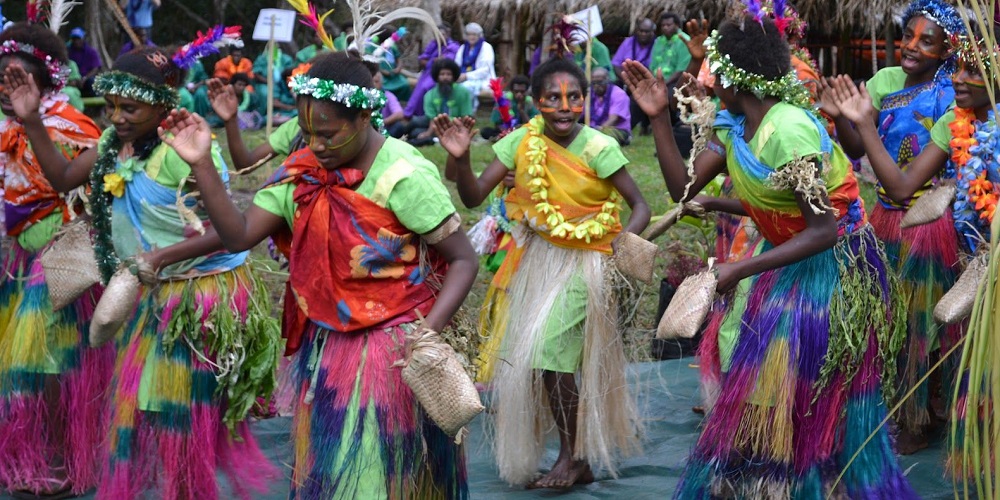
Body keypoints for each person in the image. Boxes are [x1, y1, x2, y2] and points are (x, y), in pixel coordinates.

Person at [622, 11, 914, 498]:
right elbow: (682, 188)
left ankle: (809, 480)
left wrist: (740, 267)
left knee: (796, 382)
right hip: (785, 255)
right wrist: (657, 118)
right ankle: (765, 476)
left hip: (832, 267)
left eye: (715, 70)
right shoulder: (735, 123)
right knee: (749, 360)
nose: (707, 79)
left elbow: (823, 228)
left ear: (738, 79)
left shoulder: (789, 131)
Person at [171, 50, 478, 498]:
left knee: (379, 471)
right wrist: (201, 164)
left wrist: (427, 337)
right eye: (307, 132)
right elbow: (238, 237)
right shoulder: (300, 174)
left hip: (394, 348)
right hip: (329, 343)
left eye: (328, 133)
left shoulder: (404, 175)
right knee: (333, 469)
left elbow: (464, 260)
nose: (314, 144)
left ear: (365, 117)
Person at [5, 44, 281, 499]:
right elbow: (62, 179)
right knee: (143, 408)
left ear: (163, 102)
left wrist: (158, 259)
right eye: (111, 106)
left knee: (172, 410)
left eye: (130, 107)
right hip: (155, 287)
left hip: (199, 294)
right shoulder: (113, 147)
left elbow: (230, 232)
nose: (117, 117)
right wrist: (31, 119)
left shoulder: (179, 154)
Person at [437, 57, 649, 489]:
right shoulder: (520, 141)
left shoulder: (598, 147)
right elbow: (474, 195)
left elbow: (641, 206)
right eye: (553, 97)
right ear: (537, 102)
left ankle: (571, 458)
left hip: (590, 263)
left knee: (549, 351)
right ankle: (578, 457)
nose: (565, 106)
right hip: (541, 260)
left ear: (585, 101)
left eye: (574, 97)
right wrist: (460, 161)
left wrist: (616, 253)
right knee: (542, 361)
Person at [821, 0, 966, 454]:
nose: (912, 47)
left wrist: (859, 122)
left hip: (931, 224)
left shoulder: (952, 98)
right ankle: (902, 405)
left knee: (925, 321)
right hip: (884, 216)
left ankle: (922, 415)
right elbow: (856, 148)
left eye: (927, 41)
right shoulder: (883, 81)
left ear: (948, 50)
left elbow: (909, 184)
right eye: (909, 36)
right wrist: (841, 117)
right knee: (891, 318)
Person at [0, 21, 108, 498]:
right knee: (22, 370)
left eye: (19, 78)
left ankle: (65, 461)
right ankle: (33, 454)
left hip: (63, 259)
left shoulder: (72, 124)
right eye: (2, 78)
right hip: (21, 258)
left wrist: (32, 122)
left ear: (46, 81)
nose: (8, 87)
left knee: (54, 367)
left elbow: (80, 186)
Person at [406, 58, 472, 147]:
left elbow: (465, 117)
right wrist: (428, 132)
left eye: (448, 74)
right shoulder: (430, 94)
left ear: (454, 76)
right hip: (434, 124)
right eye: (442, 74)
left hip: (454, 125)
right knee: (413, 123)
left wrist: (461, 132)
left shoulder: (463, 93)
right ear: (437, 76)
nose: (445, 77)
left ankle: (431, 139)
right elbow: (432, 118)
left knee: (416, 133)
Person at [404, 23, 460, 119]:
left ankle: (424, 114)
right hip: (428, 72)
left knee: (426, 87)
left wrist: (432, 61)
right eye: (437, 34)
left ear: (447, 34)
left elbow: (444, 62)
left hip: (441, 74)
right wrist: (433, 61)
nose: (440, 36)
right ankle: (413, 113)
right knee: (419, 88)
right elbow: (423, 59)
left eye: (442, 34)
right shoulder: (434, 44)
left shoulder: (452, 47)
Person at [480, 75, 538, 141]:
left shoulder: (531, 102)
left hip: (524, 130)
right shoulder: (503, 100)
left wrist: (522, 111)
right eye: (516, 91)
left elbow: (533, 125)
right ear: (511, 90)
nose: (519, 94)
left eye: (522, 92)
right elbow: (497, 124)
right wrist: (508, 130)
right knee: (485, 131)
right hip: (507, 130)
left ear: (527, 91)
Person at [454, 22, 495, 105]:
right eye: (469, 34)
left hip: (482, 79)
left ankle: (467, 112)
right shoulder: (463, 48)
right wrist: (457, 75)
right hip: (462, 77)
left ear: (479, 36)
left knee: (465, 88)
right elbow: (456, 65)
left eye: (474, 34)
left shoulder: (486, 47)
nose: (471, 37)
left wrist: (466, 76)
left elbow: (485, 71)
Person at [588, 67, 631, 145]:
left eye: (600, 82)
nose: (597, 86)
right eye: (594, 83)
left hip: (615, 129)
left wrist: (598, 131)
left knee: (603, 139)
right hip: (593, 129)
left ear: (607, 81)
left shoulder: (619, 94)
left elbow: (614, 119)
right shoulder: (588, 95)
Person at [612, 18, 656, 82]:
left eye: (646, 32)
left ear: (652, 32)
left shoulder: (657, 44)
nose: (643, 34)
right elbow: (616, 64)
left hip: (649, 83)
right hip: (627, 82)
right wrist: (627, 81)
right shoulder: (628, 42)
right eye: (641, 31)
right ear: (637, 30)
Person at [66, 27, 101, 95]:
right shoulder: (68, 51)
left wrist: (85, 78)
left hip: (86, 78)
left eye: (78, 39)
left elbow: (96, 68)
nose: (76, 41)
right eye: (74, 39)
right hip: (73, 79)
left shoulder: (91, 51)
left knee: (91, 82)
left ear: (83, 39)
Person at [374, 71, 406, 138]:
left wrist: (382, 122)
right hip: (368, 129)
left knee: (399, 126)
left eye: (376, 81)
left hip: (384, 128)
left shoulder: (388, 95)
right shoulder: (363, 96)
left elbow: (399, 114)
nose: (373, 84)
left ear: (381, 83)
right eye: (371, 81)